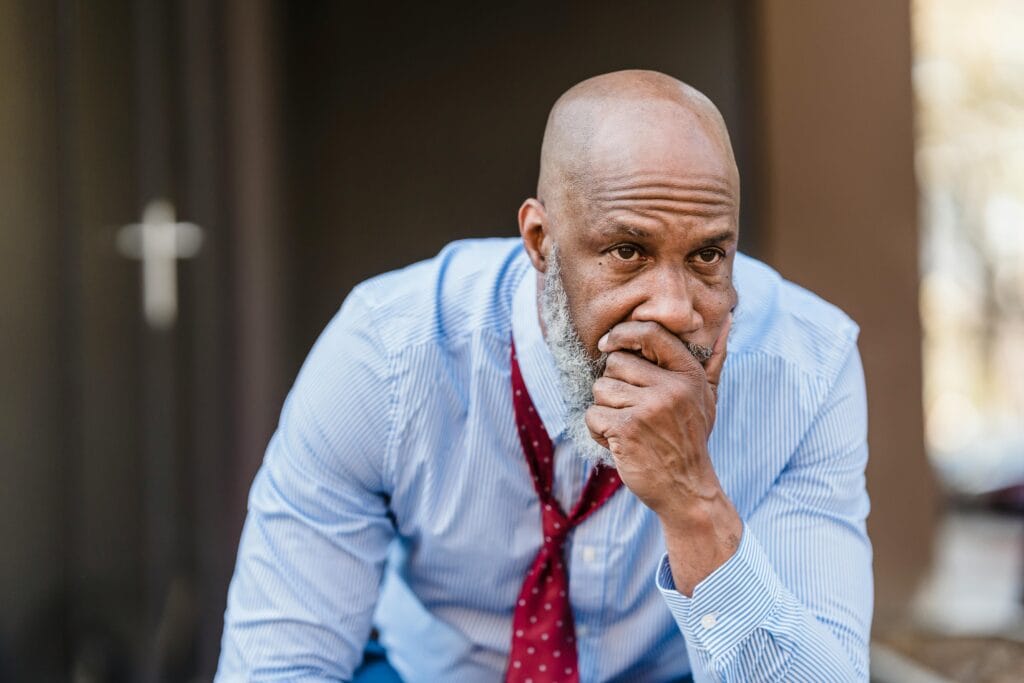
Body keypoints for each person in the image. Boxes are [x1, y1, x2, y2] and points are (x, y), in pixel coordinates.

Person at [216, 70, 872, 682]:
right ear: (539, 240)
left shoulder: (808, 370)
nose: (674, 308)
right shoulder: (387, 355)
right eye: (627, 252)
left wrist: (692, 499)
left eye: (706, 256)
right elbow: (280, 663)